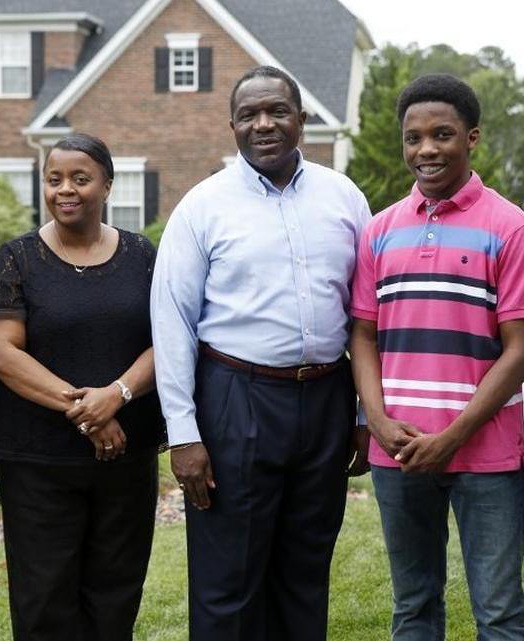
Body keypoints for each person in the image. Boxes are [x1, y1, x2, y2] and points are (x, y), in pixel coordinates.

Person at [151, 65, 373, 641]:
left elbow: (366, 314)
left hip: (327, 395)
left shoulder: (343, 197)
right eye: (249, 115)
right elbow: (172, 321)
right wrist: (183, 433)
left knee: (305, 570)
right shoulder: (202, 207)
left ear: (302, 119)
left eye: (276, 111)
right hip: (236, 399)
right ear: (232, 126)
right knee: (229, 579)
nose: (263, 123)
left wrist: (362, 415)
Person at [350, 73, 524, 641]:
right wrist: (378, 422)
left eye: (442, 134)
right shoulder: (379, 231)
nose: (426, 149)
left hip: (486, 456)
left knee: (500, 613)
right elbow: (363, 334)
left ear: (472, 138)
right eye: (414, 138)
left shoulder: (511, 228)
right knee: (413, 608)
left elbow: (522, 349)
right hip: (400, 453)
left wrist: (453, 435)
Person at [0, 133, 162, 641]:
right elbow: (2, 353)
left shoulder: (142, 255)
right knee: (44, 600)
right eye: (54, 179)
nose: (66, 190)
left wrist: (117, 395)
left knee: (115, 595)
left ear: (106, 185)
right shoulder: (18, 259)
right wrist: (89, 412)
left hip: (127, 460)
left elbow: (170, 339)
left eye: (80, 179)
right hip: (38, 462)